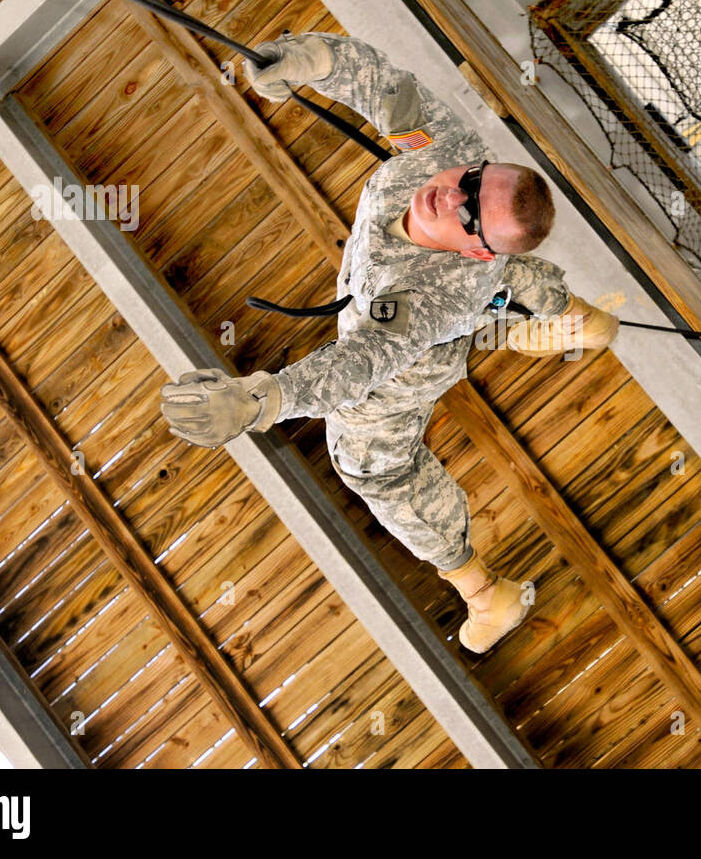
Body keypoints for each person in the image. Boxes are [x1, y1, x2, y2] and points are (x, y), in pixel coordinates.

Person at [158, 33, 618, 653]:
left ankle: (487, 596)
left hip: (401, 370)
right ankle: (576, 319)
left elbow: (360, 365)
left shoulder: (435, 298)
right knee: (498, 293)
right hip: (450, 300)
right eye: (472, 182)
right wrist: (306, 60)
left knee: (374, 468)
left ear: (476, 243)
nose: (451, 195)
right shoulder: (451, 153)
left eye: (472, 214)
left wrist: (256, 399)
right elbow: (384, 83)